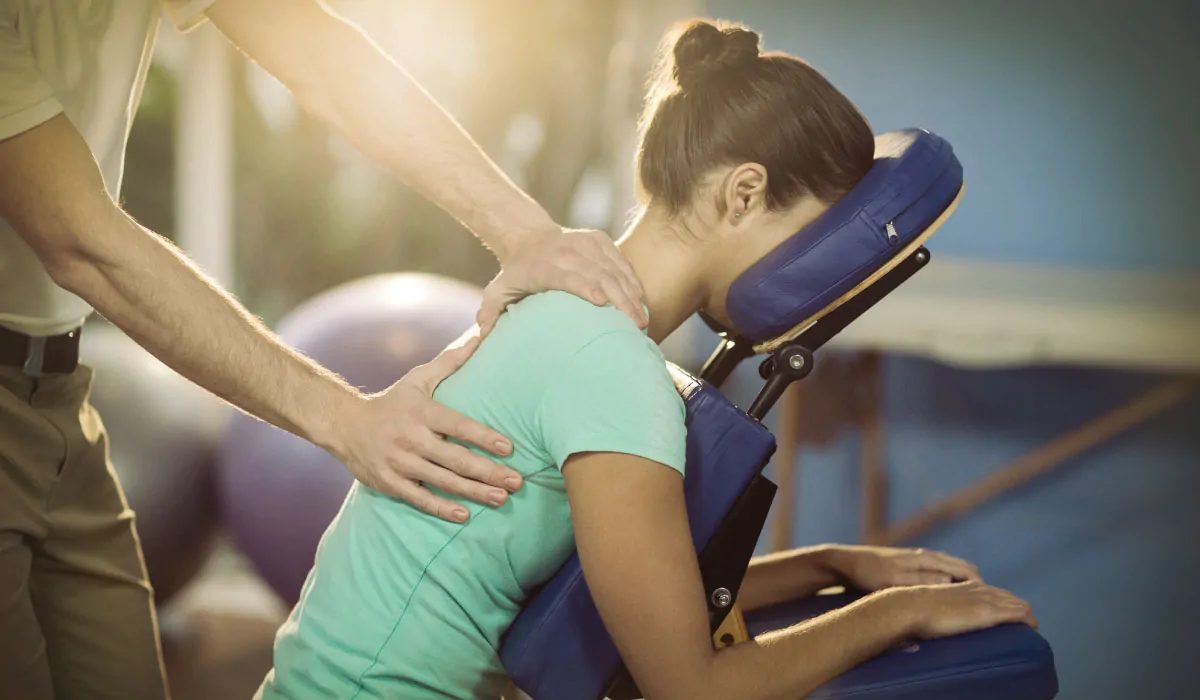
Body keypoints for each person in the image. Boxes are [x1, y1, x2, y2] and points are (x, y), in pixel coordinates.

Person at [257, 18, 1039, 700]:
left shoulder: (573, 320)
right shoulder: (614, 368)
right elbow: (690, 688)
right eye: (813, 235)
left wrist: (833, 567)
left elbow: (622, 592)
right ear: (742, 193)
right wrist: (894, 615)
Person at [0, 0, 648, 698]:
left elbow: (319, 53)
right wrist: (346, 420)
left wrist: (527, 233)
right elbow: (79, 239)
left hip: (61, 393)